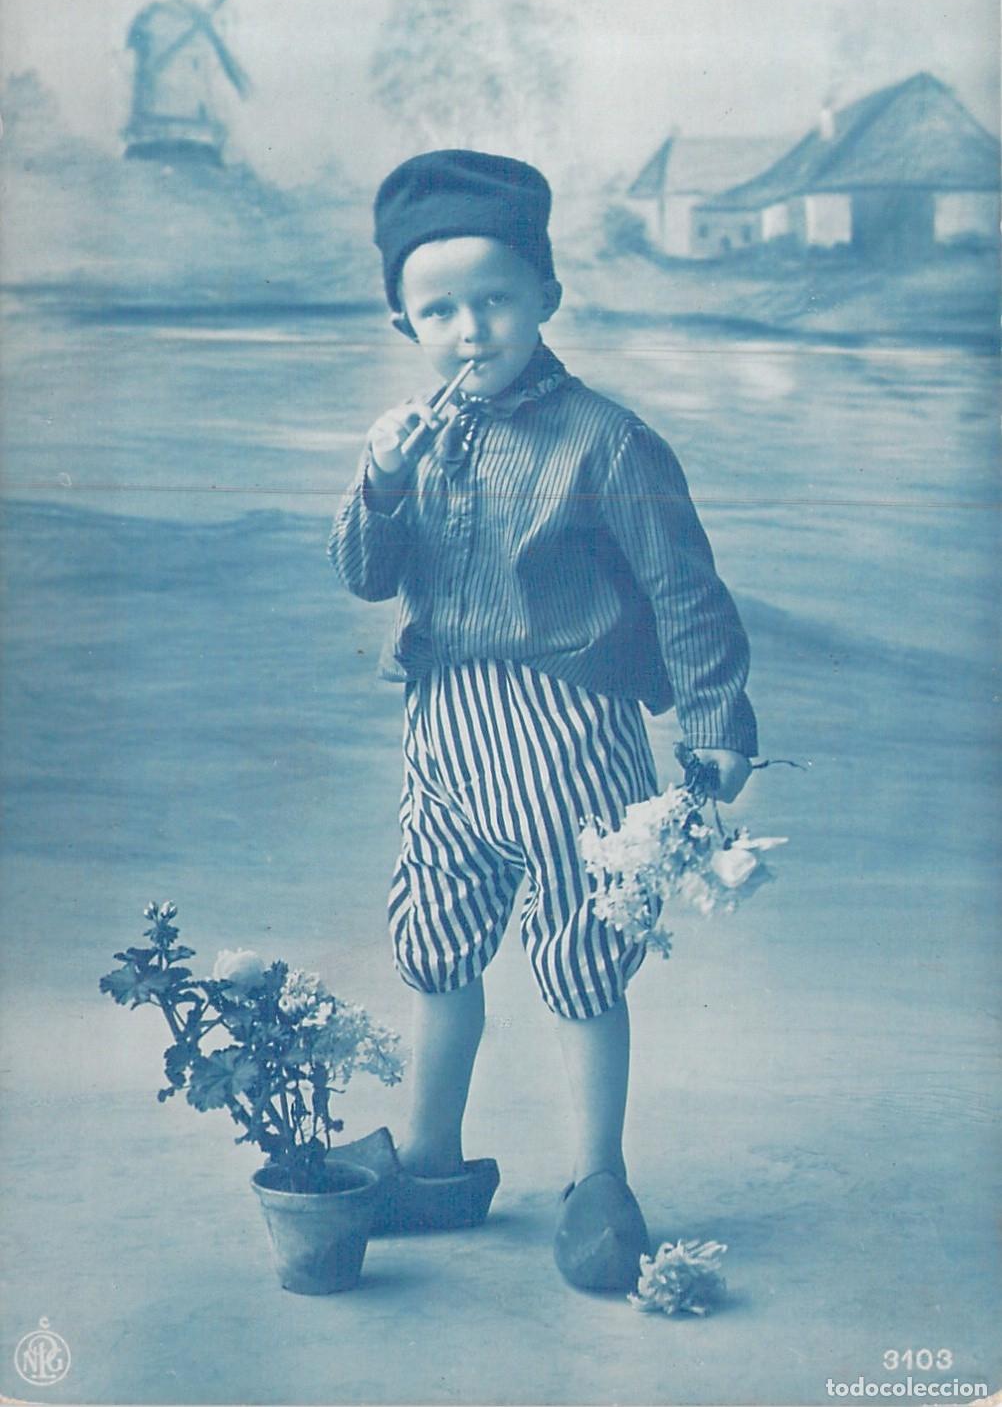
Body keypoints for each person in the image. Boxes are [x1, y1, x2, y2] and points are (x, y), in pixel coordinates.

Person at [327, 149, 757, 1292]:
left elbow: (685, 589)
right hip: (447, 728)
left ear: (547, 295)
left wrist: (716, 723)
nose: (470, 327)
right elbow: (368, 577)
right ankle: (429, 1156)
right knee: (435, 937)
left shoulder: (606, 439)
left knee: (582, 956)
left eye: (496, 299)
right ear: (404, 318)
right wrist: (376, 481)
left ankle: (599, 1175)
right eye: (438, 308)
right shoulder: (417, 440)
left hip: (572, 730)